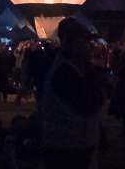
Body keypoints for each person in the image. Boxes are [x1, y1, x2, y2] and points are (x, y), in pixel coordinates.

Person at [40, 20, 107, 169]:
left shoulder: (71, 68)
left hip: (72, 146)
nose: (91, 46)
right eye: (87, 41)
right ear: (75, 44)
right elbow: (89, 104)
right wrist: (100, 83)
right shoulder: (65, 71)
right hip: (68, 150)